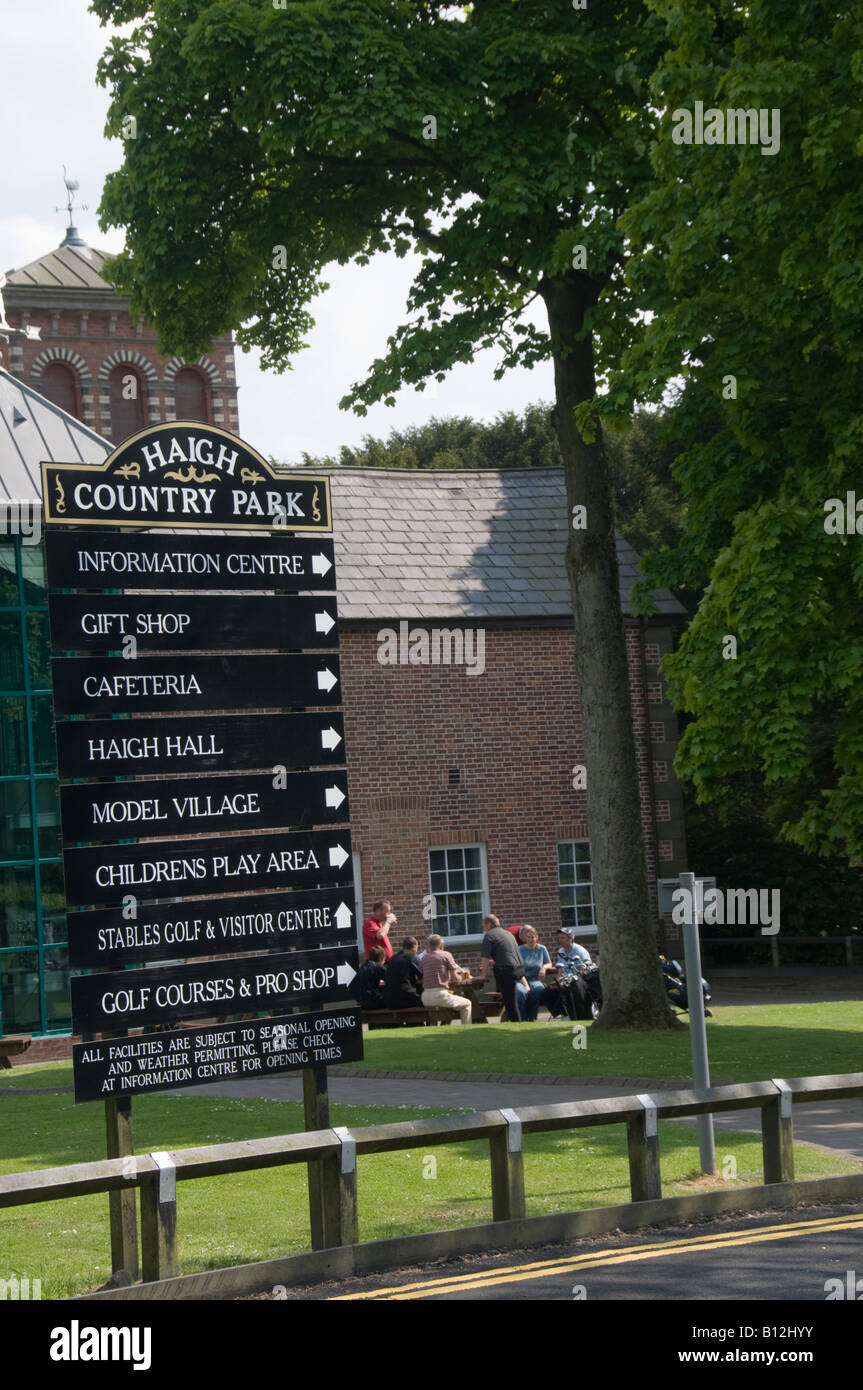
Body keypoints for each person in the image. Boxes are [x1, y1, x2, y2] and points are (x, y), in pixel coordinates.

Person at [478, 913, 529, 1022]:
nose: (483, 928)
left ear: (489, 924)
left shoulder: (490, 935)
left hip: (507, 970)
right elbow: (506, 952)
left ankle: (517, 1023)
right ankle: (507, 1020)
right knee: (508, 997)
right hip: (519, 968)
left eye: (483, 925)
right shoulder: (508, 933)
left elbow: (485, 958)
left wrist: (482, 976)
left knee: (510, 1001)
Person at [420, 934, 472, 1024]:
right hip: (439, 995)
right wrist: (462, 977)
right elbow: (455, 978)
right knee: (467, 1004)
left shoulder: (424, 958)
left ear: (429, 945)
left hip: (425, 997)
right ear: (441, 945)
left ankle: (444, 1024)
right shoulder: (446, 955)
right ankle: (467, 1030)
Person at [517, 925, 554, 1021]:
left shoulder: (542, 949)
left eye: (532, 937)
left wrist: (543, 968)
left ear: (536, 937)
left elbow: (549, 963)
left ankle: (532, 1016)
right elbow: (517, 967)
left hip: (534, 979)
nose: (530, 939)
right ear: (525, 938)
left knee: (538, 989)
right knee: (522, 992)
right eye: (528, 937)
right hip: (522, 978)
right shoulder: (520, 950)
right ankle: (523, 1018)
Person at [384, 936, 424, 1010]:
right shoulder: (412, 956)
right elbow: (423, 976)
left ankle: (414, 1022)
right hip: (406, 998)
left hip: (390, 1001)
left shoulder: (392, 959)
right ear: (414, 946)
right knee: (427, 1001)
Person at [355, 945, 387, 1010]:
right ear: (381, 958)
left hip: (362, 1003)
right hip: (372, 1002)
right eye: (384, 960)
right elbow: (391, 980)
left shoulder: (363, 966)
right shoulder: (378, 966)